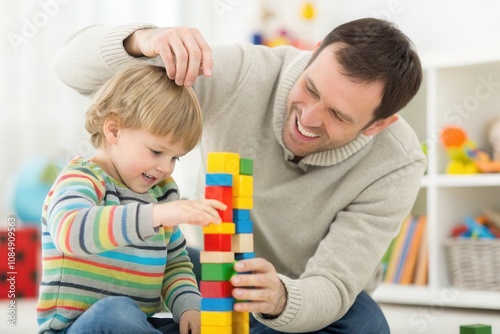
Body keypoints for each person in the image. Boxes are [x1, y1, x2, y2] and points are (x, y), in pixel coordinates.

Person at [53, 18, 427, 333]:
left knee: (365, 322)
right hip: (216, 266)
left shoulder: (397, 163)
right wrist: (142, 42)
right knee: (143, 283)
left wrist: (280, 298)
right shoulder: (242, 73)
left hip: (292, 293)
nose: (308, 118)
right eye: (310, 88)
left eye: (338, 115)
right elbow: (70, 69)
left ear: (378, 125)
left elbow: (332, 284)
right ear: (311, 56)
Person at [37, 63, 227, 334]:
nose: (166, 167)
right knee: (116, 311)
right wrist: (158, 216)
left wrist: (190, 308)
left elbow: (174, 264)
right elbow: (69, 231)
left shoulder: (161, 192)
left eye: (175, 157)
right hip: (79, 327)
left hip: (139, 325)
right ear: (113, 130)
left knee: (206, 313)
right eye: (156, 151)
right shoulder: (82, 178)